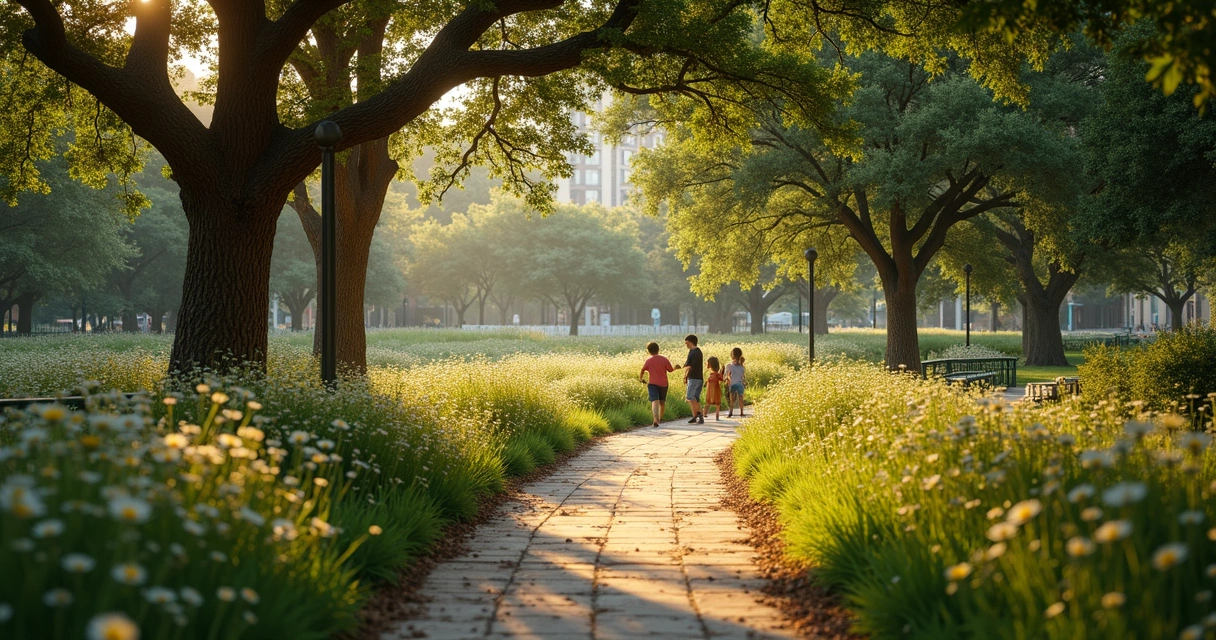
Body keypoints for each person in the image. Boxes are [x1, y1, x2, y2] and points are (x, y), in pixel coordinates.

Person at [639, 341, 677, 427]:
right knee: (662, 403)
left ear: (648, 351)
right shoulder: (664, 359)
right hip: (663, 384)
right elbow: (670, 370)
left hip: (652, 384)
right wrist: (675, 368)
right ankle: (659, 419)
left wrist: (641, 378)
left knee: (654, 401)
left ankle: (655, 420)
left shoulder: (648, 360)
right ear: (658, 349)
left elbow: (642, 369)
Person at [682, 334, 704, 424]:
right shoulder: (696, 351)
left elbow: (690, 366)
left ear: (691, 342)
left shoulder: (694, 352)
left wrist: (685, 375)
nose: (686, 345)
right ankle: (695, 416)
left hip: (694, 378)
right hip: (698, 378)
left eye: (687, 343)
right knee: (694, 398)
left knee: (690, 397)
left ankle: (699, 414)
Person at [725, 347, 746, 417]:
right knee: (741, 398)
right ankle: (742, 412)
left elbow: (728, 375)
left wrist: (726, 379)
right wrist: (744, 382)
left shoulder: (729, 366)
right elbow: (742, 376)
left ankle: (730, 412)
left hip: (733, 384)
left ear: (732, 355)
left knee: (732, 399)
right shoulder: (741, 366)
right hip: (740, 384)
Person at [705, 356, 724, 421]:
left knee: (708, 403)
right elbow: (722, 379)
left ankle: (704, 414)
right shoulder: (716, 374)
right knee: (717, 404)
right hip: (716, 390)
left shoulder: (713, 374)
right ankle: (717, 416)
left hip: (710, 391)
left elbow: (721, 379)